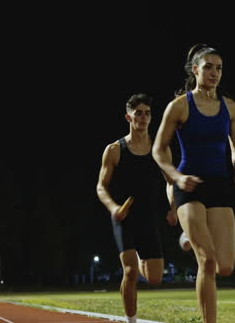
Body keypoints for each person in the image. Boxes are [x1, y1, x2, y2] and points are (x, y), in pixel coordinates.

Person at [152, 44, 235, 323]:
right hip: (189, 186)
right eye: (208, 67)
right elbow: (159, 150)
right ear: (195, 70)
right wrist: (177, 176)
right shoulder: (180, 106)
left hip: (219, 185)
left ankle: (187, 237)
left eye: (218, 68)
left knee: (226, 266)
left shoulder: (230, 108)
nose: (214, 73)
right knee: (206, 261)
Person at [96, 93, 176, 323]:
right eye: (138, 113)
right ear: (128, 117)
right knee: (130, 272)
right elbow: (101, 187)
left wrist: (172, 207)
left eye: (147, 113)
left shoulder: (160, 150)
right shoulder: (114, 150)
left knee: (155, 278)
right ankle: (131, 320)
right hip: (124, 218)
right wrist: (113, 207)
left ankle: (138, 261)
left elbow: (170, 183)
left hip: (148, 218)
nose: (143, 117)